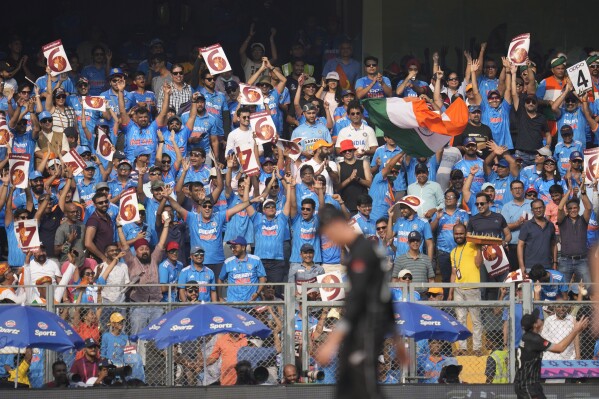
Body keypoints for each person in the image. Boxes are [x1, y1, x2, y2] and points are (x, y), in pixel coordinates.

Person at [314, 205, 406, 399]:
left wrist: (332, 340)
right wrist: (397, 339)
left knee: (367, 388)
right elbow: (385, 295)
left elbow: (359, 298)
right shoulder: (362, 250)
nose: (330, 240)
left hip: (366, 331)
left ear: (336, 224)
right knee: (346, 388)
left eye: (328, 234)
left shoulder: (361, 253)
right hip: (359, 332)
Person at [513, 308, 588, 399]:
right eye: (538, 318)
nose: (540, 319)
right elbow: (560, 348)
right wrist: (575, 330)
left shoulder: (527, 337)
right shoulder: (534, 339)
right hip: (527, 385)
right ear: (535, 325)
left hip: (528, 383)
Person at [116, 210, 170, 334]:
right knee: (137, 336)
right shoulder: (132, 261)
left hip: (156, 305)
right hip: (138, 306)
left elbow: (161, 244)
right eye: (141, 249)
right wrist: (119, 227)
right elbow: (124, 246)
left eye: (146, 249)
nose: (145, 251)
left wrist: (166, 224)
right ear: (136, 251)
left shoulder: (154, 259)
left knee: (157, 336)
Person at [448, 223, 483, 356]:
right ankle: (462, 348)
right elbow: (453, 273)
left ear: (466, 233)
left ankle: (477, 348)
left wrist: (479, 248)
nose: (459, 236)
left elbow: (479, 264)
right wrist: (450, 292)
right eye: (456, 234)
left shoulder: (473, 245)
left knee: (475, 320)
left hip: (473, 288)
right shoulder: (453, 252)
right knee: (460, 320)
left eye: (461, 233)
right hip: (458, 289)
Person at [557, 188, 593, 286]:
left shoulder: (583, 220)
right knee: (562, 288)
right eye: (570, 208)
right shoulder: (562, 221)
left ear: (578, 208)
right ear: (567, 210)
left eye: (575, 208)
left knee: (588, 288)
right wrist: (569, 192)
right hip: (565, 260)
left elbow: (589, 208)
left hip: (582, 260)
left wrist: (583, 192)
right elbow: (560, 208)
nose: (573, 210)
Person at [219, 236, 267, 302]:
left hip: (252, 303)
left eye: (235, 247)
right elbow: (220, 279)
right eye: (231, 247)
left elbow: (262, 278)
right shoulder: (228, 262)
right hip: (233, 304)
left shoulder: (256, 260)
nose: (233, 249)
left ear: (243, 247)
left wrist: (257, 293)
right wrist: (220, 297)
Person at [517, 199, 557, 272]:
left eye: (540, 207)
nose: (538, 210)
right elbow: (520, 246)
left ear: (544, 208)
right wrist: (522, 266)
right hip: (530, 267)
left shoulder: (550, 225)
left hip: (547, 266)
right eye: (535, 208)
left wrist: (555, 262)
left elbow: (553, 245)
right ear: (532, 210)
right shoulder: (526, 225)